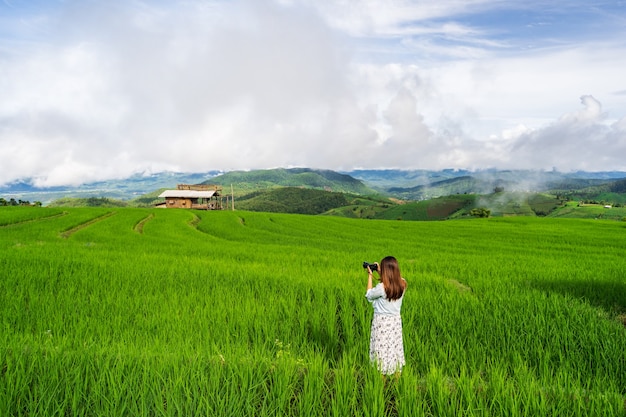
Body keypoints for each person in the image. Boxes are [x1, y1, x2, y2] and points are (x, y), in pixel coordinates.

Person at [365, 256, 407, 375]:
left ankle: (381, 387)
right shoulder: (403, 283)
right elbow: (392, 283)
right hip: (395, 324)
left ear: (385, 271)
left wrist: (370, 275)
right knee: (394, 350)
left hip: (381, 324)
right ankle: (397, 381)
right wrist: (380, 272)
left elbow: (368, 295)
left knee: (381, 353)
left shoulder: (381, 288)